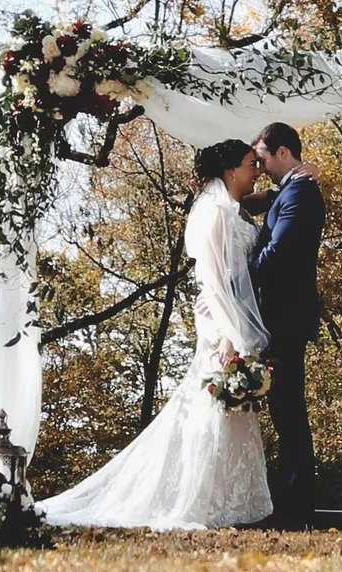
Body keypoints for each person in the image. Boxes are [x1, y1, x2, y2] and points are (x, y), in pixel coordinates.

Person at [39, 137, 271, 532]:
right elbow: (215, 282)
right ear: (231, 170)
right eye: (252, 164)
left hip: (229, 313)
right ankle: (203, 498)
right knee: (213, 402)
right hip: (221, 318)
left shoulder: (231, 210)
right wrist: (231, 334)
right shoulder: (214, 213)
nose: (257, 171)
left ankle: (229, 499)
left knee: (223, 405)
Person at [249, 121, 325, 530]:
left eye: (261, 158)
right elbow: (261, 201)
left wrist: (240, 278)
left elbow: (277, 251)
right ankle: (293, 504)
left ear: (282, 152)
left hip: (286, 318)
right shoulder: (290, 188)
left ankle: (297, 508)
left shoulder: (300, 192)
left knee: (289, 411)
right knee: (283, 408)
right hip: (279, 317)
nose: (259, 167)